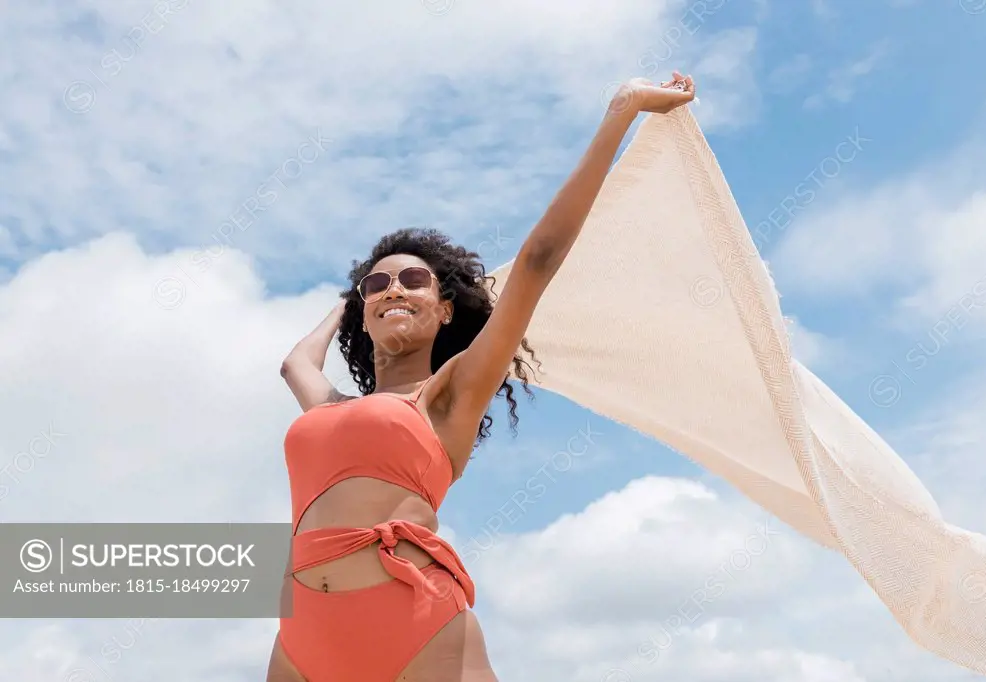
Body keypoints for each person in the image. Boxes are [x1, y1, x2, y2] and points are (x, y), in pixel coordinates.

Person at [266, 71, 698, 682]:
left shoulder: (447, 395)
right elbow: (294, 363)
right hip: (303, 631)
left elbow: (539, 259)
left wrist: (622, 111)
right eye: (378, 283)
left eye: (414, 281)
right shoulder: (328, 406)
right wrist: (351, 301)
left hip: (412, 621)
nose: (394, 288)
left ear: (445, 308)